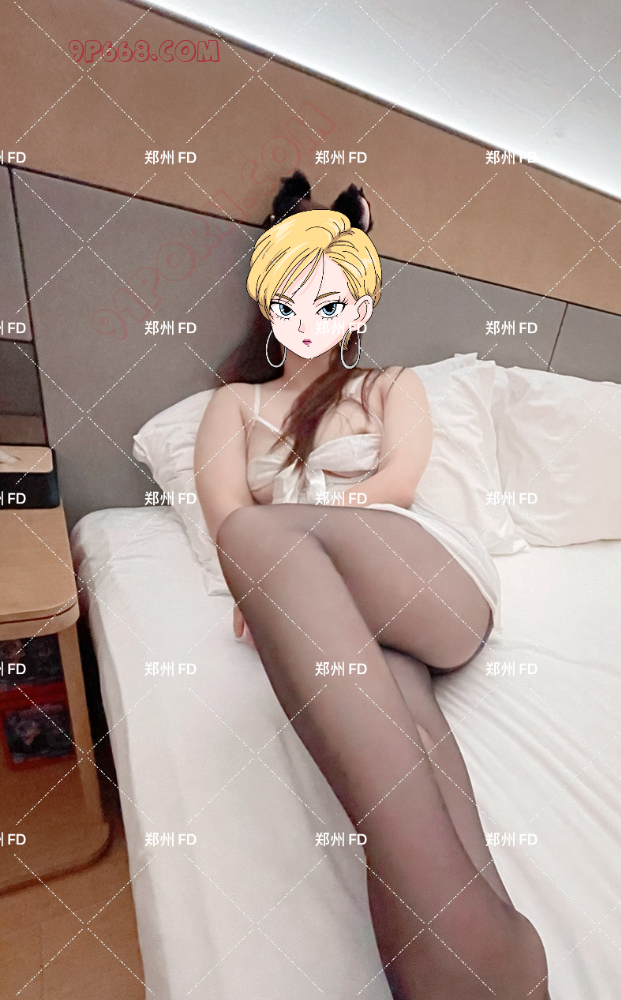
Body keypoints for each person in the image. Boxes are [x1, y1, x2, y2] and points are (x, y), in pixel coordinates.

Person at [194, 210, 551, 999]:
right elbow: (222, 513)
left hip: (420, 575)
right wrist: (277, 576)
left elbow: (396, 485)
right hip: (333, 602)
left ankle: (468, 947)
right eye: (289, 301)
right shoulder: (235, 405)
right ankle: (485, 948)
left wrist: (283, 559)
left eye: (328, 303)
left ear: (357, 312)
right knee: (406, 716)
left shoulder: (389, 386)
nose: (306, 321)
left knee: (257, 536)